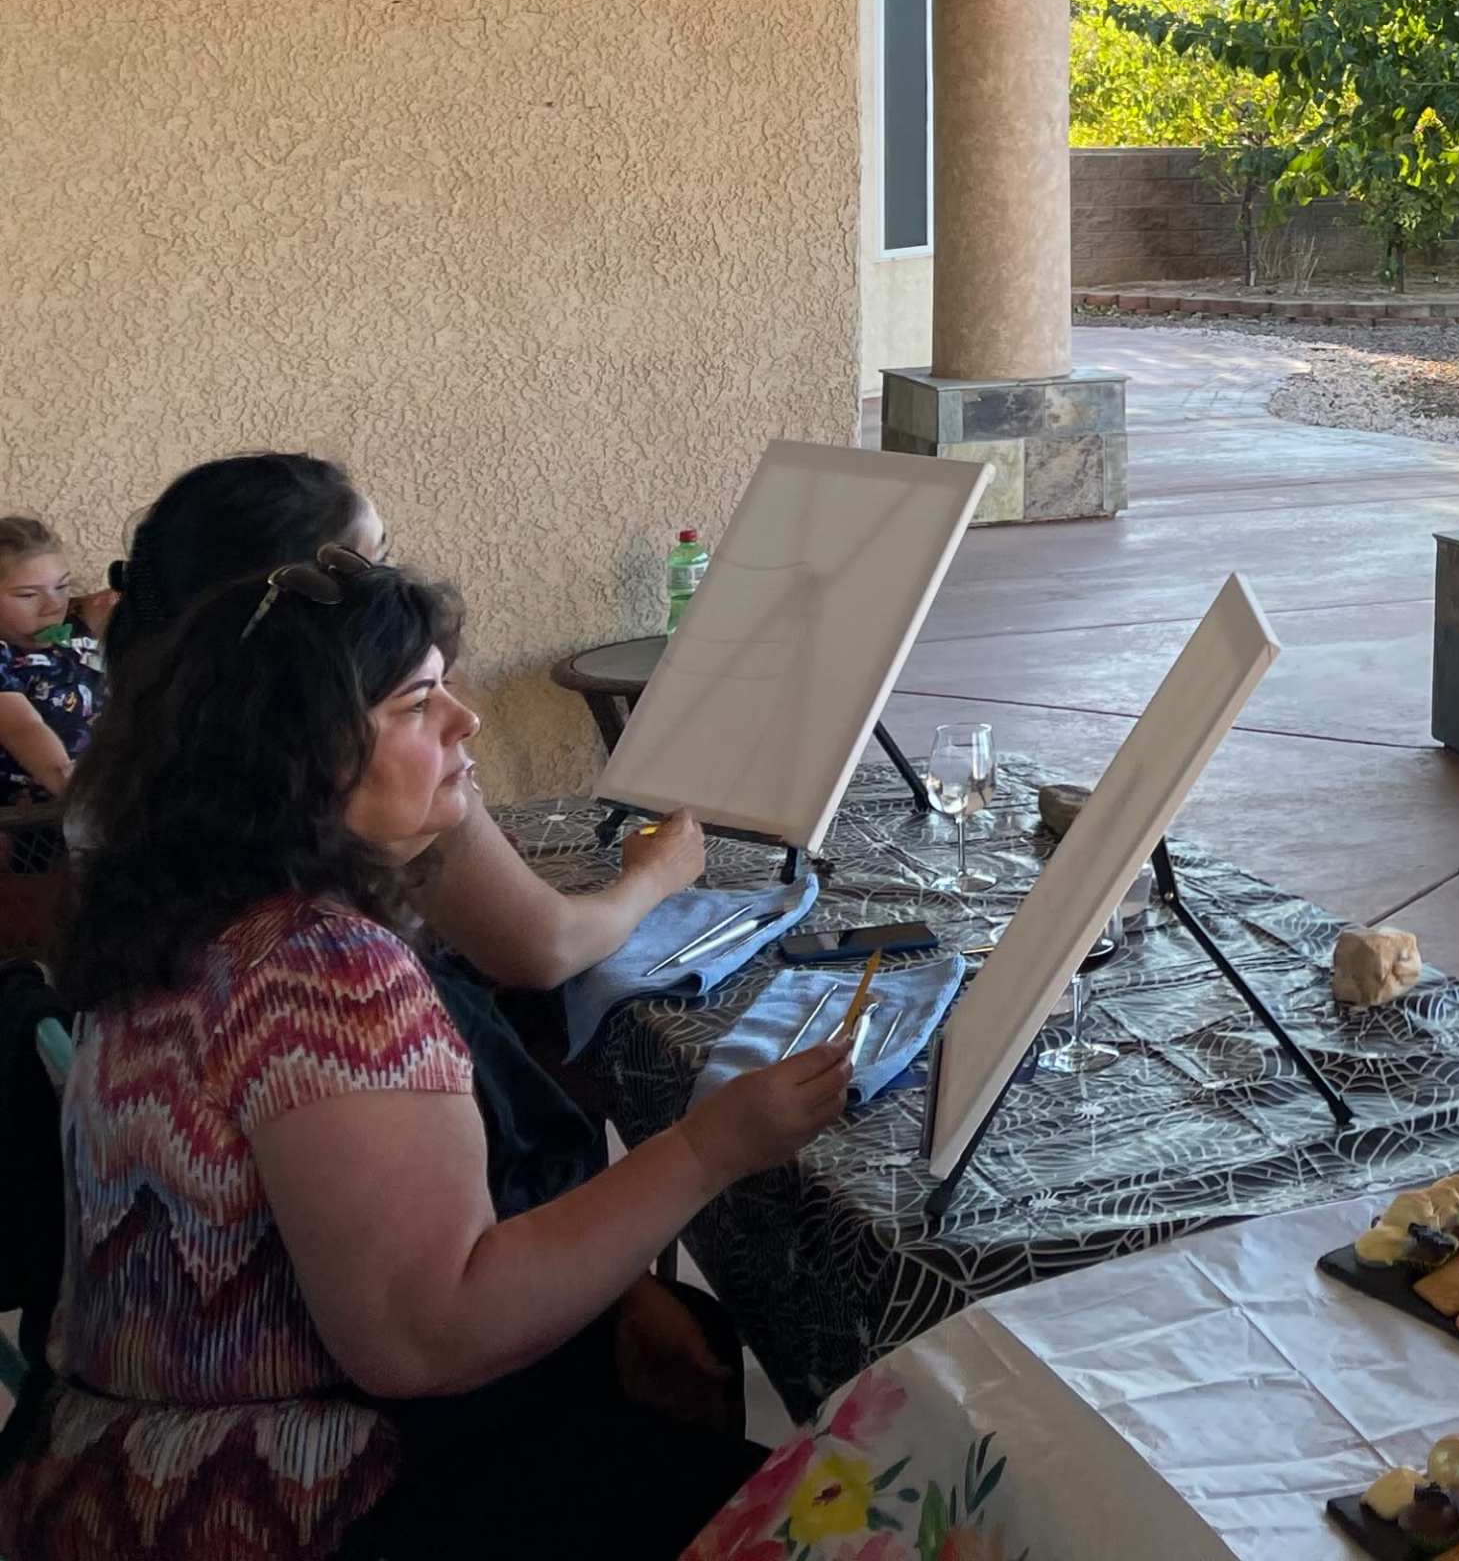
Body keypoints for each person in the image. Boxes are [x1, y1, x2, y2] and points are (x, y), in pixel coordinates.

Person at [0, 547, 851, 1561]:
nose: (466, 721)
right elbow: (430, 1336)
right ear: (303, 756)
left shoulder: (174, 916)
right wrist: (711, 1147)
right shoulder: (322, 970)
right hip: (277, 1503)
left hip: (103, 1478)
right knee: (845, 1517)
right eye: (417, 705)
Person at [103, 454, 712, 1216]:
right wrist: (654, 876)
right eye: (370, 565)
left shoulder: (136, 761)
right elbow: (540, 947)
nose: (466, 717)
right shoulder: (326, 967)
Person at [0, 517, 101, 805]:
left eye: (63, 586)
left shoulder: (77, 628)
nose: (53, 605)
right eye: (28, 594)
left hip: (102, 793)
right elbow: (21, 728)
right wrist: (77, 794)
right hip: (33, 816)